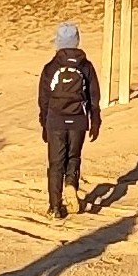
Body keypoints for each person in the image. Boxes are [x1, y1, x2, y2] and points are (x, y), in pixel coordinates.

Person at [36, 21, 103, 219]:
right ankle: (71, 184)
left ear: (58, 43)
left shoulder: (50, 68)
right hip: (79, 121)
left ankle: (55, 207)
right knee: (73, 158)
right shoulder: (86, 66)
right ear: (77, 42)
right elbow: (94, 95)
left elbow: (44, 99)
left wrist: (44, 123)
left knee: (56, 163)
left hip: (55, 120)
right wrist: (95, 121)